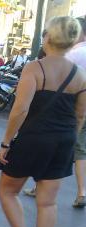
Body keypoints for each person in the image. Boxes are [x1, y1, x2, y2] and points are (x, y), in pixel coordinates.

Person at [0, 17, 86, 227]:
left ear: (47, 37)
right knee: (48, 202)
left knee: (7, 191)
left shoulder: (35, 68)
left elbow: (20, 110)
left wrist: (5, 143)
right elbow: (80, 115)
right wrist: (67, 141)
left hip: (34, 138)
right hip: (64, 140)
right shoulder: (80, 75)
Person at [67, 16, 86, 208]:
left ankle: (41, 188)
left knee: (55, 144)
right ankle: (81, 192)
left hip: (73, 107)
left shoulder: (74, 53)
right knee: (81, 149)